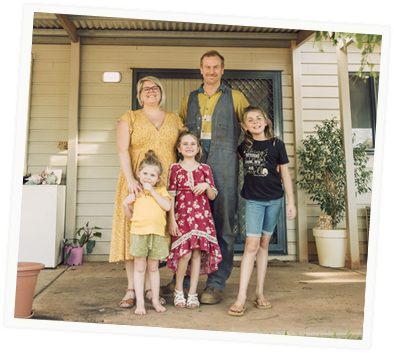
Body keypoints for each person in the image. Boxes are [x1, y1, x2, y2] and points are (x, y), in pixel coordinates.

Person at [161, 50, 250, 304]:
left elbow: (251, 127)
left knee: (223, 220)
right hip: (193, 159)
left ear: (223, 70)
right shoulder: (189, 98)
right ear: (201, 70)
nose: (211, 71)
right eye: (207, 67)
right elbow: (180, 134)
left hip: (224, 160)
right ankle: (185, 280)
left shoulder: (236, 97)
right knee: (188, 219)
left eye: (216, 67)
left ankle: (216, 283)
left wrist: (254, 158)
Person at [110, 76, 184, 309]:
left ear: (161, 93)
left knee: (157, 233)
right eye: (145, 89)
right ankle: (132, 288)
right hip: (136, 183)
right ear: (139, 95)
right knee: (134, 233)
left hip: (163, 186)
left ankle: (152, 288)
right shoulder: (129, 117)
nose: (150, 92)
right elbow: (122, 149)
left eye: (155, 88)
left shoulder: (175, 119)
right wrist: (131, 179)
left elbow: (184, 150)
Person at [228, 106, 296, 316]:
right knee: (251, 245)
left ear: (266, 121)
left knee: (264, 244)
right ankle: (241, 297)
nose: (255, 122)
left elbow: (284, 173)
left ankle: (259, 292)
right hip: (255, 202)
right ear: (244, 126)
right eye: (250, 120)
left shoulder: (277, 144)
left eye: (259, 118)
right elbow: (230, 163)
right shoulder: (244, 147)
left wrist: (291, 202)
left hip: (275, 200)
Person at [166, 130, 222, 309]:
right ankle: (178, 290)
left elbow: (212, 196)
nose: (189, 147)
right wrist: (171, 221)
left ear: (198, 148)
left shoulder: (205, 169)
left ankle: (192, 293)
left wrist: (206, 185)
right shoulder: (174, 168)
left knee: (197, 253)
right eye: (185, 144)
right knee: (185, 254)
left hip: (202, 218)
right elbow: (171, 196)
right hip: (181, 217)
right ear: (179, 148)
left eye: (193, 144)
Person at [123, 150, 172, 315]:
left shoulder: (161, 191)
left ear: (158, 178)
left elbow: (167, 206)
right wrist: (125, 204)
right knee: (139, 268)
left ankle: (156, 301)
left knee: (153, 268)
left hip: (156, 235)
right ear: (138, 174)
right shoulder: (135, 192)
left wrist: (152, 190)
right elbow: (131, 217)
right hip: (138, 234)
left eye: (152, 175)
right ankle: (140, 304)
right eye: (145, 173)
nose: (148, 177)